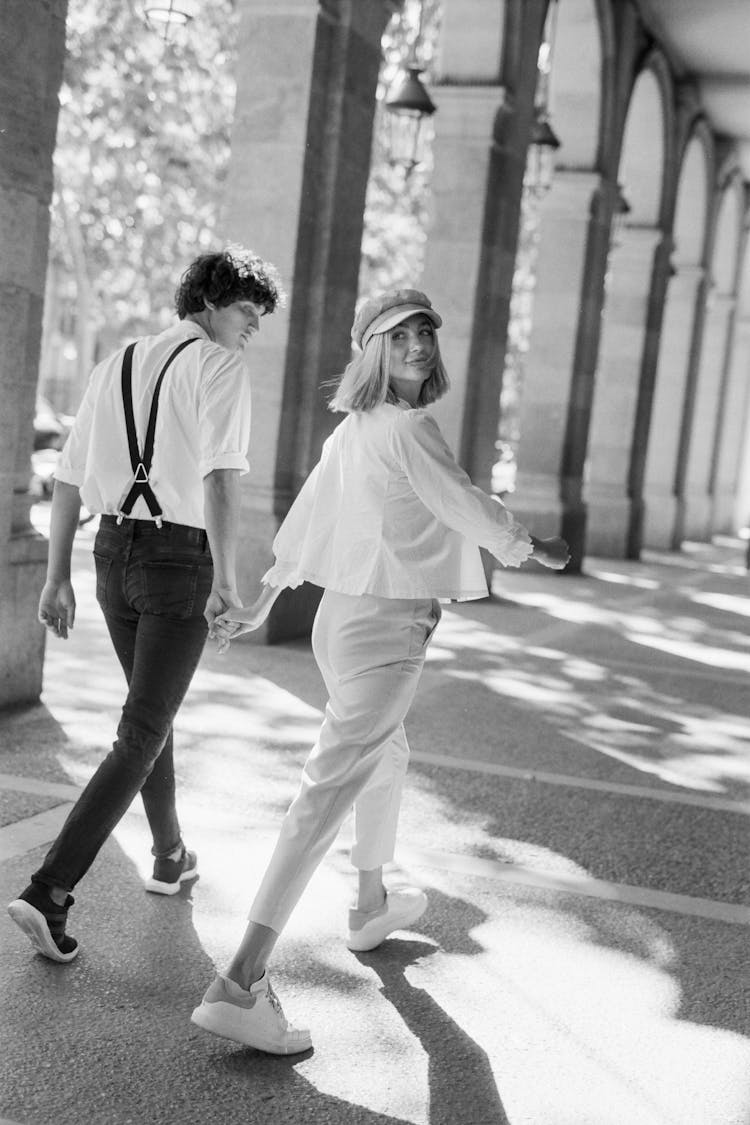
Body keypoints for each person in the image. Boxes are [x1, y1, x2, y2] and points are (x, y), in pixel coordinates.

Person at [190, 288, 570, 1055]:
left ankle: (368, 903)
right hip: (387, 628)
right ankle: (240, 980)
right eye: (398, 338)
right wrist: (534, 547)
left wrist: (261, 602)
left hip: (343, 622)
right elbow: (462, 502)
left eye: (425, 332)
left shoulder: (356, 429)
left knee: (384, 753)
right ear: (372, 350)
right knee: (325, 791)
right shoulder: (404, 427)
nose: (418, 347)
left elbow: (304, 524)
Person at [7, 246, 285, 964]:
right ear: (207, 303)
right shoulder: (219, 367)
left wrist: (55, 576)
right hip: (178, 562)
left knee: (148, 716)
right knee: (142, 728)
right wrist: (229, 577)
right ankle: (49, 891)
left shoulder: (115, 363)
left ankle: (168, 856)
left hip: (111, 554)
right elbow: (224, 481)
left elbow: (69, 478)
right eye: (245, 312)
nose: (251, 327)